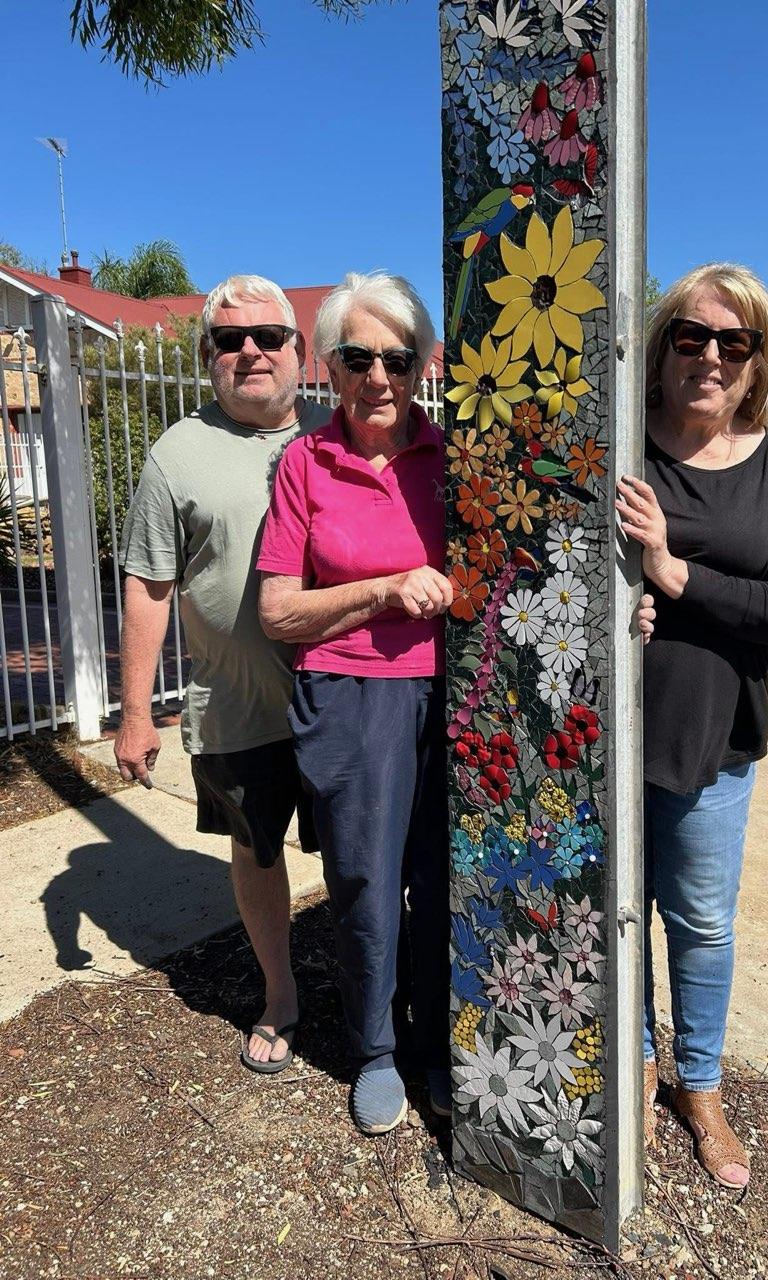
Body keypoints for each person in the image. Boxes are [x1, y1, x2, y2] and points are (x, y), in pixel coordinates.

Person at [616, 263, 768, 1188]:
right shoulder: (619, 446)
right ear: (660, 348)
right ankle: (634, 1064)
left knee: (698, 922)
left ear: (757, 362)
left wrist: (673, 574)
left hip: (716, 735)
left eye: (734, 342)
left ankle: (699, 1086)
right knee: (618, 913)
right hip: (608, 733)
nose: (710, 357)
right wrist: (616, 601)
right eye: (691, 336)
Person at [115, 274, 331, 1074]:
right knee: (256, 850)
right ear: (208, 353)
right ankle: (280, 993)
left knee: (357, 852)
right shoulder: (178, 454)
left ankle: (370, 987)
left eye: (268, 337)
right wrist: (136, 713)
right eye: (230, 340)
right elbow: (148, 584)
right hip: (236, 707)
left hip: (342, 699)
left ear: (298, 350)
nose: (250, 352)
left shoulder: (337, 435)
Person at [257, 272, 452, 1135]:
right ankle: (376, 1048)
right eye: (358, 358)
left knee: (445, 876)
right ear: (329, 367)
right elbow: (277, 611)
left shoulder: (456, 460)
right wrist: (382, 591)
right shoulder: (306, 462)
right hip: (350, 692)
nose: (378, 377)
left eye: (397, 359)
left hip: (455, 692)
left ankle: (443, 1041)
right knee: (367, 880)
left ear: (422, 367)